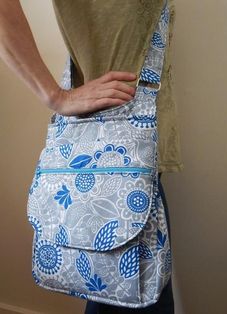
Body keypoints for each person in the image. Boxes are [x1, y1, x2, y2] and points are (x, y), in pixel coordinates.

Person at [0, 1, 183, 313]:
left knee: (116, 293)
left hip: (137, 147)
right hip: (114, 158)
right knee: (128, 297)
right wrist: (54, 95)